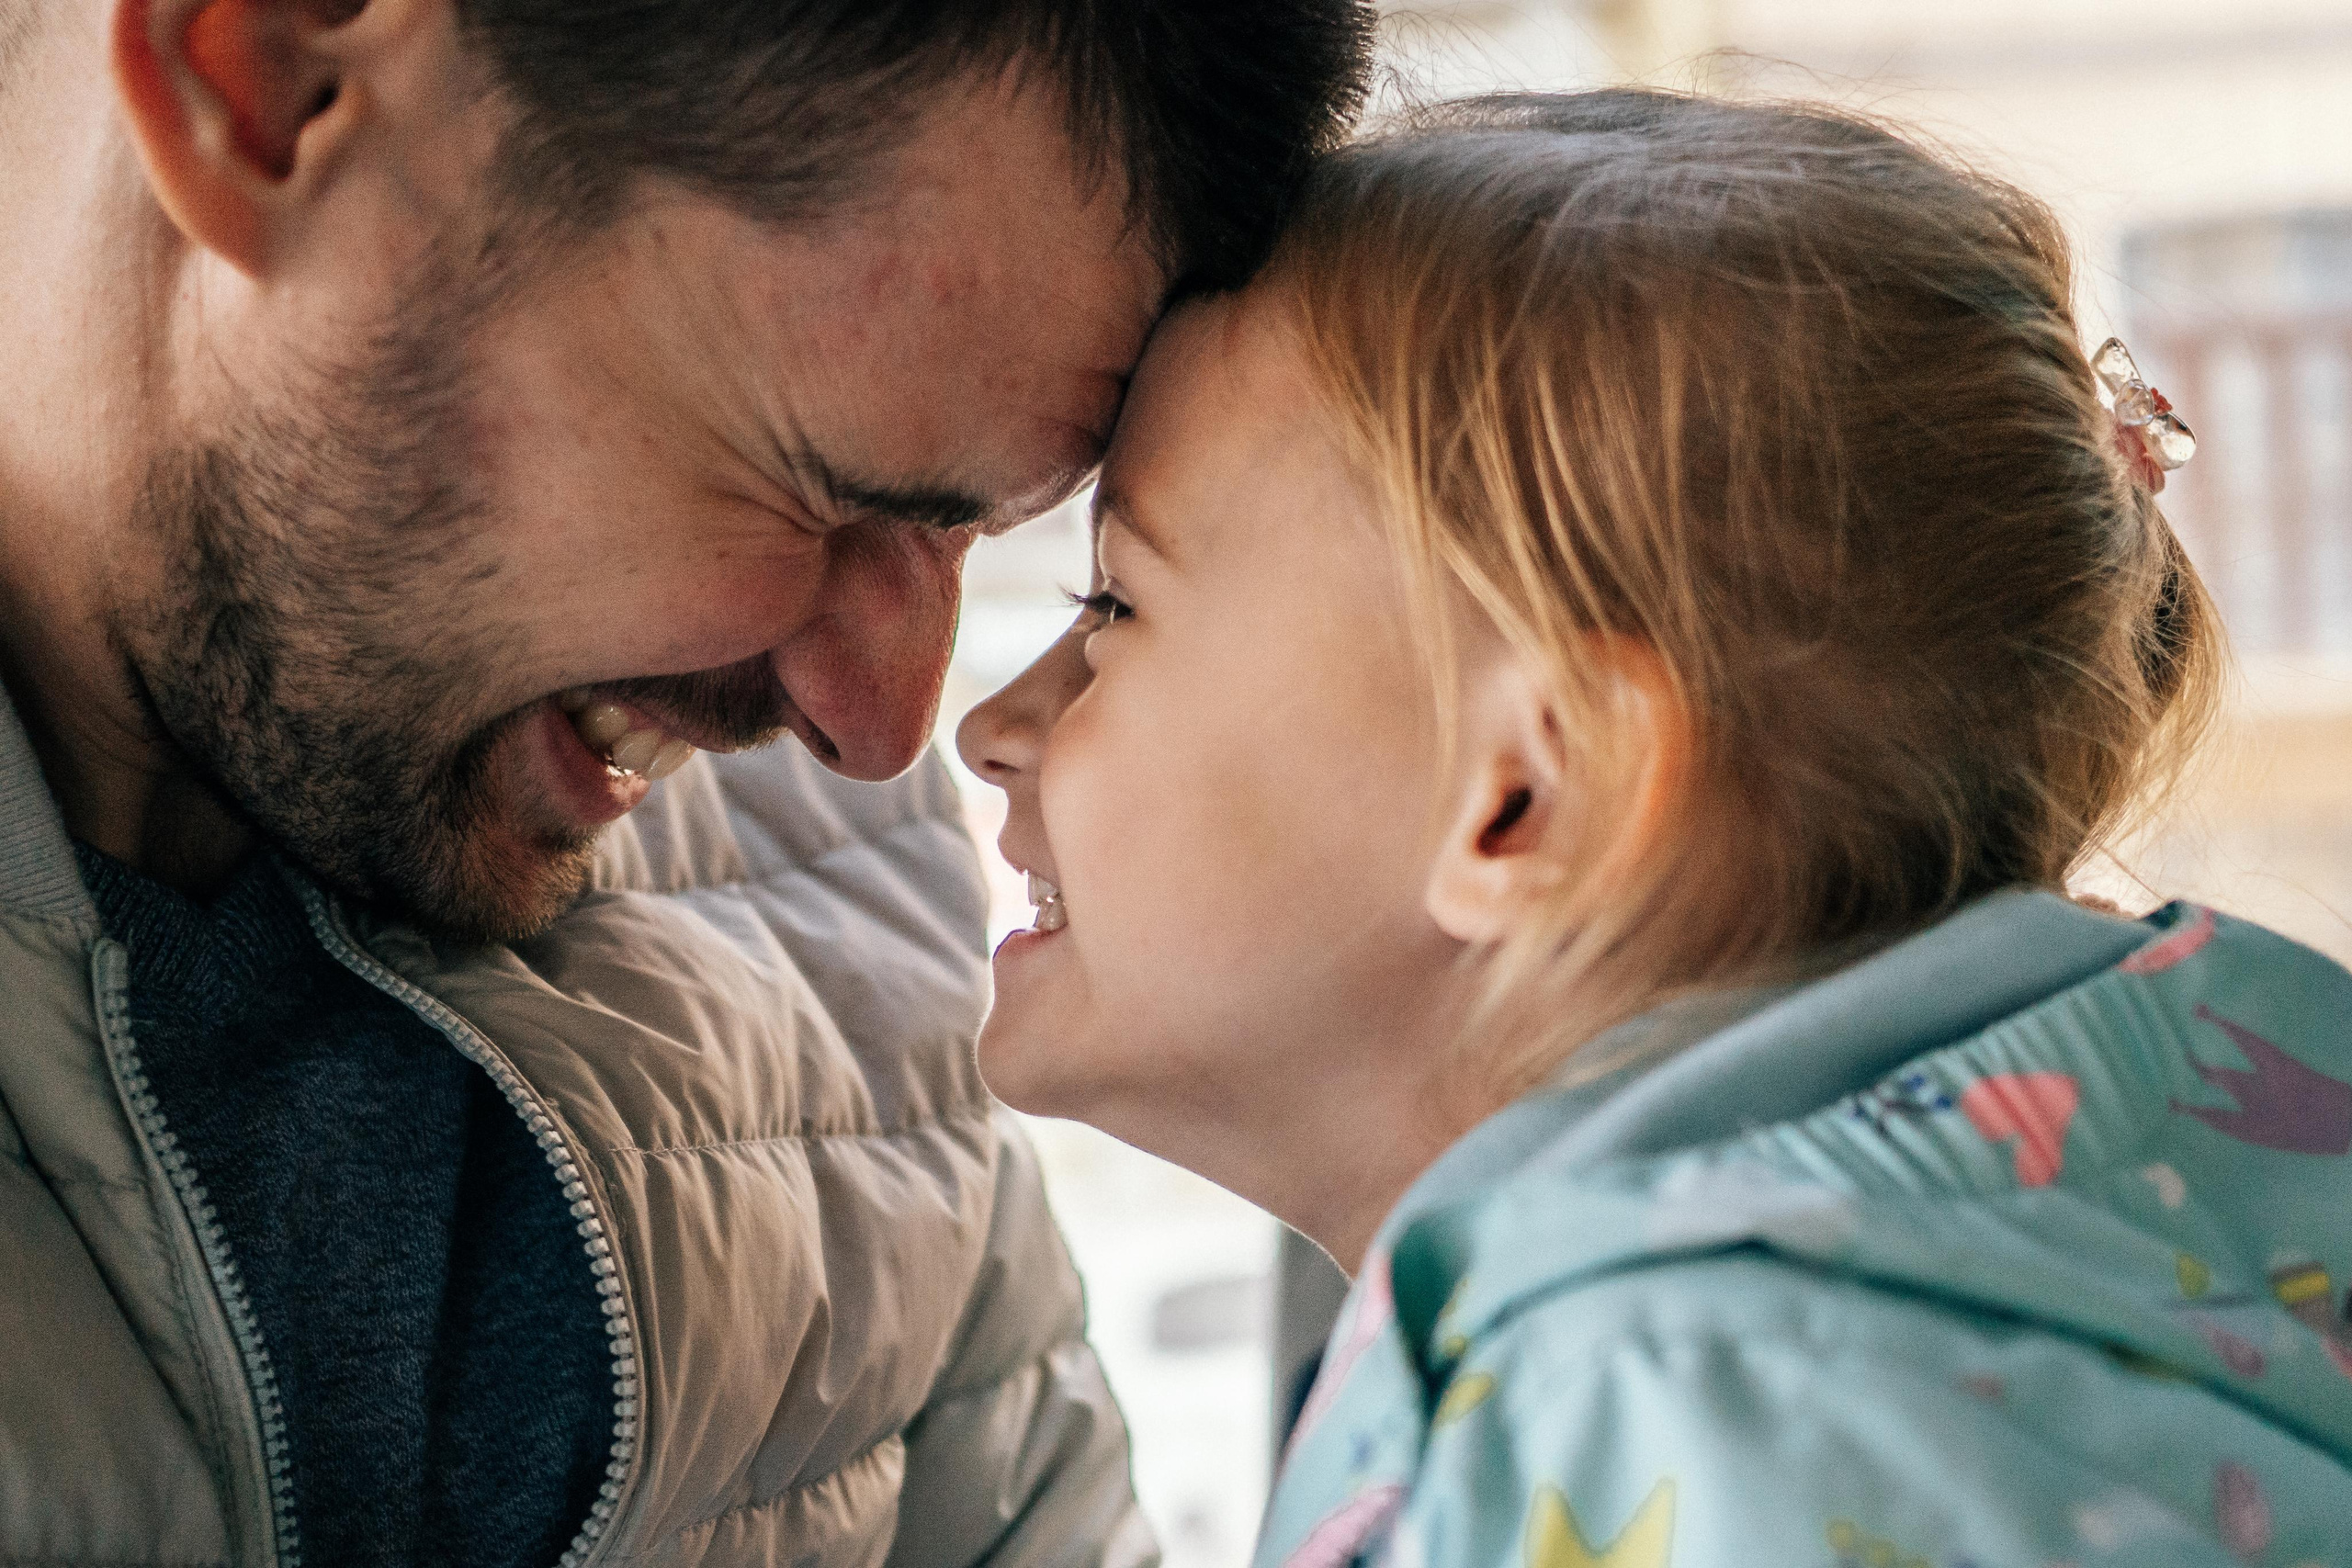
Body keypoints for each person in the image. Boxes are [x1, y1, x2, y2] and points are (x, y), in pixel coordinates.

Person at [0, 2, 1375, 1563]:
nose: (886, 735)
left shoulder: (827, 878)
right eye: (824, 491)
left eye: (974, 534)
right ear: (268, 86)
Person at [959, 90, 2352, 1566]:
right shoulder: (2180, 1241)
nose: (993, 727)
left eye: (1112, 606)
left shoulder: (1646, 1426)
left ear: (1528, 798)